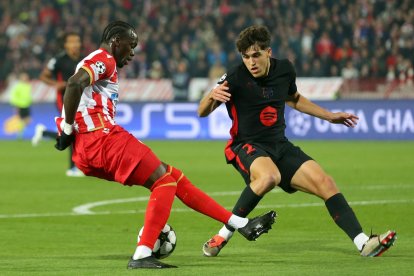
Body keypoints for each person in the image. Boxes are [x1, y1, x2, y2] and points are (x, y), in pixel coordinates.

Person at [54, 20, 276, 270]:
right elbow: (74, 83)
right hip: (101, 138)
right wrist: (67, 128)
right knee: (164, 181)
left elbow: (78, 92)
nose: (133, 52)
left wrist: (69, 131)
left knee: (174, 177)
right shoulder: (104, 59)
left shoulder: (104, 62)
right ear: (117, 42)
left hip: (91, 146)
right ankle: (142, 253)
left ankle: (239, 224)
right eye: (132, 45)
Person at [198, 25, 396, 258]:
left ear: (268, 52)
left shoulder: (285, 69)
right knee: (269, 177)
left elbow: (294, 99)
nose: (251, 62)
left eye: (256, 55)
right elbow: (202, 112)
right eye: (245, 57)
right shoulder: (234, 77)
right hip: (246, 145)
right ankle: (224, 234)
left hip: (279, 145)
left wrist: (330, 115)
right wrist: (211, 96)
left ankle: (364, 243)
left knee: (326, 183)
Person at [32, 31, 83, 177]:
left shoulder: (84, 59)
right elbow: (43, 76)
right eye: (72, 41)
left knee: (76, 131)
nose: (75, 44)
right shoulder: (58, 60)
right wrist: (57, 84)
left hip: (81, 99)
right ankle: (73, 168)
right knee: (72, 129)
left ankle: (44, 133)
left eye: (77, 41)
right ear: (65, 45)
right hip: (64, 99)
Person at [6, 72, 32, 138]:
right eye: (24, 77)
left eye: (26, 77)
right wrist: (16, 105)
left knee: (28, 121)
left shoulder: (28, 86)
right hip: (20, 105)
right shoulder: (18, 86)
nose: (25, 78)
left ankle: (20, 130)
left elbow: (28, 96)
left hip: (27, 105)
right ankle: (20, 134)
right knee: (20, 119)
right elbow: (14, 96)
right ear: (21, 78)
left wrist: (30, 101)